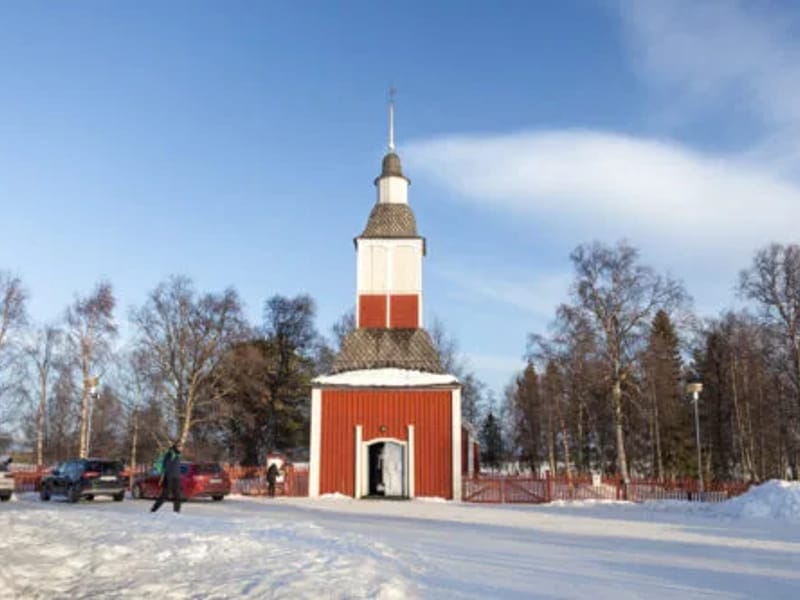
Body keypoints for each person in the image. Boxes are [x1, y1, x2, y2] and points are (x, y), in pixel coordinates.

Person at [151, 441, 183, 513]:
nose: (181, 448)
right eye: (179, 446)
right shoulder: (170, 454)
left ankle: (176, 512)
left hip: (176, 477)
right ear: (176, 447)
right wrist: (171, 449)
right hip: (169, 477)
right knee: (165, 495)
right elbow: (167, 462)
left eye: (181, 446)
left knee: (177, 495)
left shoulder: (178, 455)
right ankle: (154, 509)